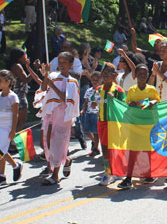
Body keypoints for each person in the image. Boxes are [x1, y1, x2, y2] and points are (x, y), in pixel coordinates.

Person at [36, 52, 80, 185]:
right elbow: (44, 88)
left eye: (64, 62)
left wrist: (52, 85)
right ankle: (66, 160)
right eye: (59, 62)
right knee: (47, 142)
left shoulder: (72, 82)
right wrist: (45, 76)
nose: (61, 65)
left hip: (63, 115)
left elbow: (66, 100)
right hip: (51, 113)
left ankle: (55, 175)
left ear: (71, 64)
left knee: (58, 142)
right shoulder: (53, 75)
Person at [118, 64, 160, 189]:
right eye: (140, 73)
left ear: (148, 75)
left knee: (148, 151)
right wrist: (130, 104)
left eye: (145, 73)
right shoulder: (132, 90)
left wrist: (154, 101)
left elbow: (158, 102)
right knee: (132, 152)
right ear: (136, 75)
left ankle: (149, 174)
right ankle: (128, 177)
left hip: (148, 125)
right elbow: (127, 106)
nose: (142, 76)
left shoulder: (152, 89)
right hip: (134, 125)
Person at [0, 70, 22, 187]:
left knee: (0, 149)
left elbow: (15, 114)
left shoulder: (13, 97)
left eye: (1, 81)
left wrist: (13, 130)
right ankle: (2, 175)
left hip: (6, 127)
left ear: (8, 82)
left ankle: (15, 166)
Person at [95, 63, 126, 186]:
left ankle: (116, 170)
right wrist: (93, 104)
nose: (105, 76)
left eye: (108, 73)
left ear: (114, 75)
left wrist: (114, 99)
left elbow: (123, 105)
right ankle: (108, 171)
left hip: (114, 123)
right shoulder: (98, 89)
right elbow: (96, 101)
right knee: (104, 147)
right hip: (102, 121)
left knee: (114, 147)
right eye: (104, 73)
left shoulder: (118, 90)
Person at [7, 48, 33, 131]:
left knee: (15, 122)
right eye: (24, 56)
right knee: (20, 122)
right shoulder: (17, 66)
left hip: (14, 95)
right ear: (19, 57)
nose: (26, 57)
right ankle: (15, 141)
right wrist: (34, 69)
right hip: (19, 96)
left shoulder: (13, 66)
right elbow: (26, 79)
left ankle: (12, 141)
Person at [81, 71, 102, 157]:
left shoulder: (101, 91)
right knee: (86, 130)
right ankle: (94, 142)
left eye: (97, 80)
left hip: (96, 114)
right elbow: (85, 102)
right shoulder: (89, 90)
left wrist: (99, 111)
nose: (95, 81)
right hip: (88, 113)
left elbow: (102, 102)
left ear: (101, 80)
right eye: (93, 80)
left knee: (95, 132)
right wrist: (83, 109)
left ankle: (96, 148)